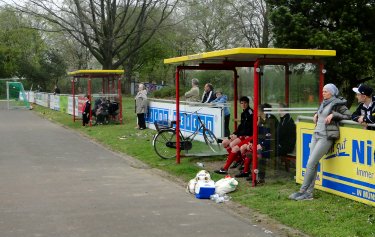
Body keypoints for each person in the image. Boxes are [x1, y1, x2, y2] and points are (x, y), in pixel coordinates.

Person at [289, 83, 351, 201]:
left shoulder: (338, 103)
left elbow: (348, 115)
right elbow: (321, 114)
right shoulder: (324, 103)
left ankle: (303, 191)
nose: (323, 93)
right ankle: (308, 193)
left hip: (325, 137)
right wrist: (316, 114)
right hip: (316, 134)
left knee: (311, 163)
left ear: (332, 92)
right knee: (312, 164)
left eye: (325, 91)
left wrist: (334, 115)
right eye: (322, 91)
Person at [234, 103, 278, 182]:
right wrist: (253, 143)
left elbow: (271, 137)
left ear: (262, 111)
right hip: (262, 144)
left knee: (259, 153)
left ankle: (260, 178)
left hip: (271, 145)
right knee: (249, 151)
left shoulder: (271, 120)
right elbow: (258, 135)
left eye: (257, 110)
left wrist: (261, 145)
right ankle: (252, 173)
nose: (255, 112)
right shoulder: (261, 120)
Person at [214, 96, 253, 175]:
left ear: (248, 103)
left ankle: (227, 167)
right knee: (225, 142)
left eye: (245, 103)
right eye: (242, 103)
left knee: (232, 145)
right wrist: (234, 134)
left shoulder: (250, 113)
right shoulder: (243, 113)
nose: (243, 105)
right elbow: (241, 127)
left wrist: (238, 135)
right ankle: (238, 160)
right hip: (241, 135)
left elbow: (249, 129)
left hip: (247, 136)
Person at [276, 103, 296, 169]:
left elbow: (281, 134)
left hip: (286, 147)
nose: (277, 110)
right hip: (282, 145)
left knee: (268, 149)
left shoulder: (287, 120)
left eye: (278, 108)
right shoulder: (283, 119)